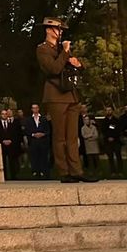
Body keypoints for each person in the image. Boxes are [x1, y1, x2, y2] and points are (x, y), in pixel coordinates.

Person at [36, 17, 96, 184]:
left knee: (72, 136)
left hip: (71, 95)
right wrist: (65, 52)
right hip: (56, 95)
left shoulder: (63, 49)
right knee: (60, 136)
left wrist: (78, 64)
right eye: (57, 29)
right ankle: (64, 171)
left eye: (61, 30)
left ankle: (77, 170)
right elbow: (54, 69)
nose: (60, 32)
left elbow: (73, 67)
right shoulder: (42, 49)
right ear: (48, 30)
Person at [23, 105, 52, 179]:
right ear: (32, 109)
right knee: (34, 157)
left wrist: (43, 134)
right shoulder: (28, 120)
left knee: (43, 157)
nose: (35, 109)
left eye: (36, 108)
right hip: (33, 141)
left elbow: (48, 130)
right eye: (33, 108)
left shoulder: (44, 119)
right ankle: (35, 172)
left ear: (38, 109)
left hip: (43, 141)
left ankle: (44, 172)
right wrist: (33, 134)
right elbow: (26, 130)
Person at [0, 108, 23, 179]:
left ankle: (13, 176)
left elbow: (15, 134)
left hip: (11, 145)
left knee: (12, 162)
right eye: (3, 114)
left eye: (5, 114)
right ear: (0, 115)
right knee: (3, 162)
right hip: (2, 145)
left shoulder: (11, 124)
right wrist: (2, 141)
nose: (4, 115)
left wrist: (11, 140)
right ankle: (4, 177)